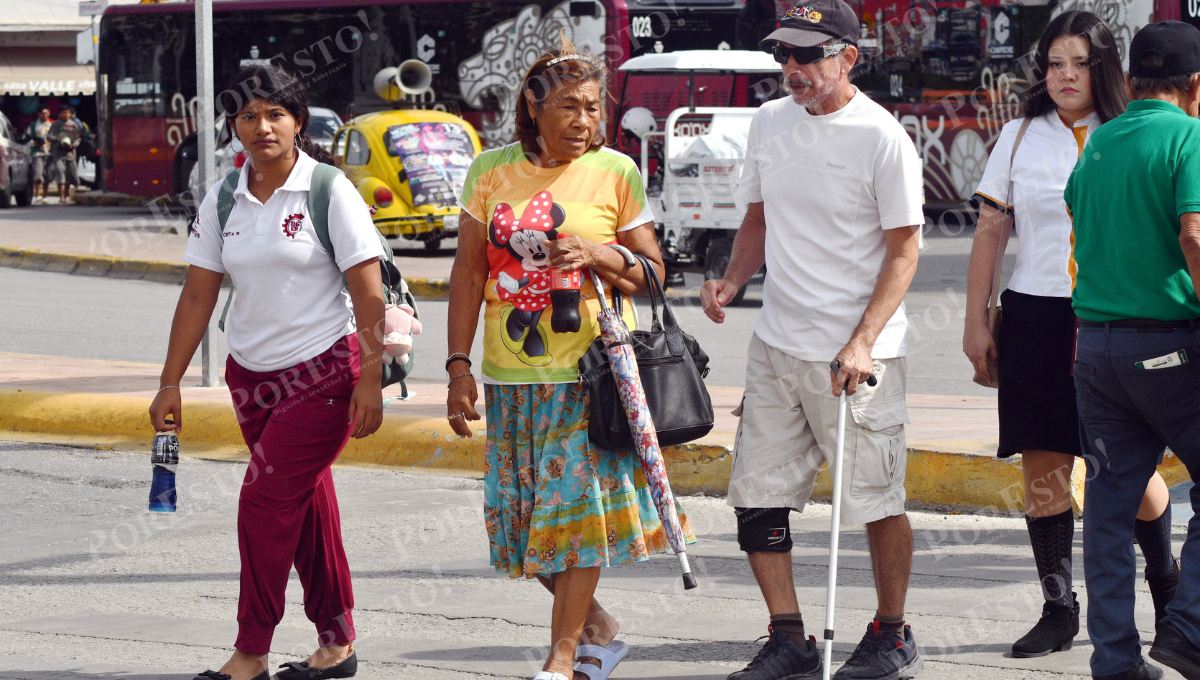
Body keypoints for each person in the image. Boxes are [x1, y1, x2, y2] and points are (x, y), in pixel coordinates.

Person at [445, 36, 694, 680]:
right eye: (568, 106)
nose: (585, 120)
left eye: (593, 106)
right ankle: (598, 628)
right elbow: (468, 274)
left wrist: (599, 253)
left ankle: (563, 658)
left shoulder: (616, 172)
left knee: (574, 517)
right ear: (533, 106)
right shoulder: (490, 171)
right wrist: (458, 366)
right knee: (523, 524)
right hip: (510, 377)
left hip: (590, 376)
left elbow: (654, 273)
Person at [700, 1, 924, 678]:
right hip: (777, 343)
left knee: (876, 501)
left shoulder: (882, 137)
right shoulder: (769, 122)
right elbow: (759, 219)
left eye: (807, 55)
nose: (791, 67)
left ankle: (892, 632)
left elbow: (905, 251)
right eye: (783, 54)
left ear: (848, 57)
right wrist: (732, 280)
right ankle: (789, 637)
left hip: (855, 355)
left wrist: (862, 340)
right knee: (756, 495)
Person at [149, 64, 385, 680]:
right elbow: (197, 294)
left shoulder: (328, 190)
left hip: (324, 375)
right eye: (249, 116)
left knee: (262, 501)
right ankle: (337, 644)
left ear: (298, 121)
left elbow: (369, 293)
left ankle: (250, 651)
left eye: (276, 114)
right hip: (250, 379)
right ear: (234, 125)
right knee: (306, 504)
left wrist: (369, 378)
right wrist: (170, 382)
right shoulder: (224, 195)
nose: (262, 127)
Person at [964, 11, 1179, 660]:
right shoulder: (1018, 137)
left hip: (1112, 318)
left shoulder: (1130, 131)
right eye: (1054, 64)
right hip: (1036, 316)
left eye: (1080, 63)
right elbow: (990, 235)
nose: (1065, 76)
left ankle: (1167, 588)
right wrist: (975, 322)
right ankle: (1058, 609)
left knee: (1128, 468)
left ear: (1105, 67)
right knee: (1043, 465)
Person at [1063, 20, 1200, 680]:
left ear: (1131, 80)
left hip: (1097, 349)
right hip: (1171, 346)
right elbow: (1194, 235)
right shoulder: (1190, 137)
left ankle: (1116, 661)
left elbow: (1077, 218)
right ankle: (1190, 630)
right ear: (1195, 84)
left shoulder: (1098, 141)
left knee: (1110, 513)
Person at [48, 106, 83, 204]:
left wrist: (73, 145)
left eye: (68, 113)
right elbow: (49, 136)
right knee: (60, 172)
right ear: (59, 114)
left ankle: (67, 194)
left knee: (70, 174)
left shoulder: (74, 125)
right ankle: (62, 196)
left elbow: (78, 138)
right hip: (58, 153)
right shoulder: (55, 124)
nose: (66, 115)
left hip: (70, 154)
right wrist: (58, 140)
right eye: (64, 113)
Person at [25, 108, 53, 204]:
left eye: (46, 113)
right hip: (37, 153)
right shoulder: (34, 125)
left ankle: (45, 195)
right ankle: (37, 195)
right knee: (38, 174)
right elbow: (27, 138)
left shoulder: (53, 124)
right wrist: (34, 143)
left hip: (49, 152)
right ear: (38, 114)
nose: (44, 115)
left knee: (47, 175)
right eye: (42, 113)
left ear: (49, 113)